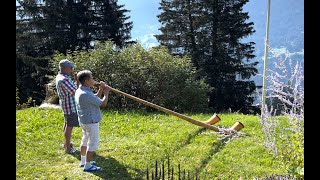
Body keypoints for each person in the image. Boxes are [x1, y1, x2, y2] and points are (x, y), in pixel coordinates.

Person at [75, 70, 110, 172]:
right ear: (86, 81)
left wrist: (100, 89)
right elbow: (102, 104)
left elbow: (95, 99)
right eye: (91, 78)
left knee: (85, 140)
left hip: (84, 121)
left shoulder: (81, 90)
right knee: (92, 144)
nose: (93, 80)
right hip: (91, 122)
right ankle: (88, 166)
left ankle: (83, 161)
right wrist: (106, 93)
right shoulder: (86, 93)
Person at [55, 59, 79, 154]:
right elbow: (76, 92)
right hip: (70, 106)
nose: (72, 70)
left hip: (67, 105)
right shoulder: (64, 80)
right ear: (64, 68)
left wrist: (76, 81)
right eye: (70, 68)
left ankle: (67, 144)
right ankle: (68, 148)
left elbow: (73, 90)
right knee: (69, 125)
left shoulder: (61, 77)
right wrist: (80, 83)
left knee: (67, 124)